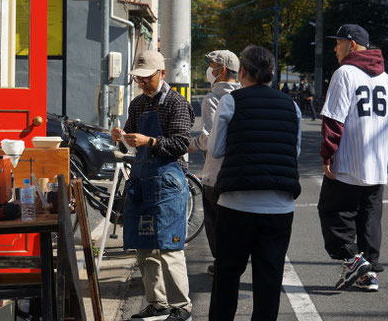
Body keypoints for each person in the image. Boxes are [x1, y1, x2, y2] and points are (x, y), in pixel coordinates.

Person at [207, 45, 301, 321]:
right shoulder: (292, 106)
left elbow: (216, 149)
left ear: (243, 72)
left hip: (237, 205)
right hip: (279, 208)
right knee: (269, 281)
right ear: (272, 73)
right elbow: (292, 153)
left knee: (227, 276)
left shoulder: (232, 101)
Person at [111, 50, 194, 321]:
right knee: (144, 245)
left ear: (162, 74)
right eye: (139, 78)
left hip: (169, 182)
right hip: (142, 179)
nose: (142, 83)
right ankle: (157, 303)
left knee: (170, 247)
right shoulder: (137, 104)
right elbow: (130, 140)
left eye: (147, 78)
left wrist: (151, 142)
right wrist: (120, 137)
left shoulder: (176, 103)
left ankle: (182, 307)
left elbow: (182, 143)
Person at [318, 24, 388, 292]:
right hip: (376, 162)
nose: (335, 48)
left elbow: (334, 119)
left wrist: (327, 154)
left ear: (352, 45)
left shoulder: (345, 73)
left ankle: (353, 260)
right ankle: (369, 272)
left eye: (338, 43)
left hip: (349, 161)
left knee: (334, 212)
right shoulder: (384, 77)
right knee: (369, 218)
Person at [188, 49, 241, 277]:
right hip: (240, 168)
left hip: (216, 169)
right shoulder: (244, 95)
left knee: (215, 221)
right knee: (235, 220)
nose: (209, 69)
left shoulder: (213, 98)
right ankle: (236, 260)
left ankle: (222, 263)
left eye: (212, 65)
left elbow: (209, 138)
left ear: (221, 70)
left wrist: (191, 144)